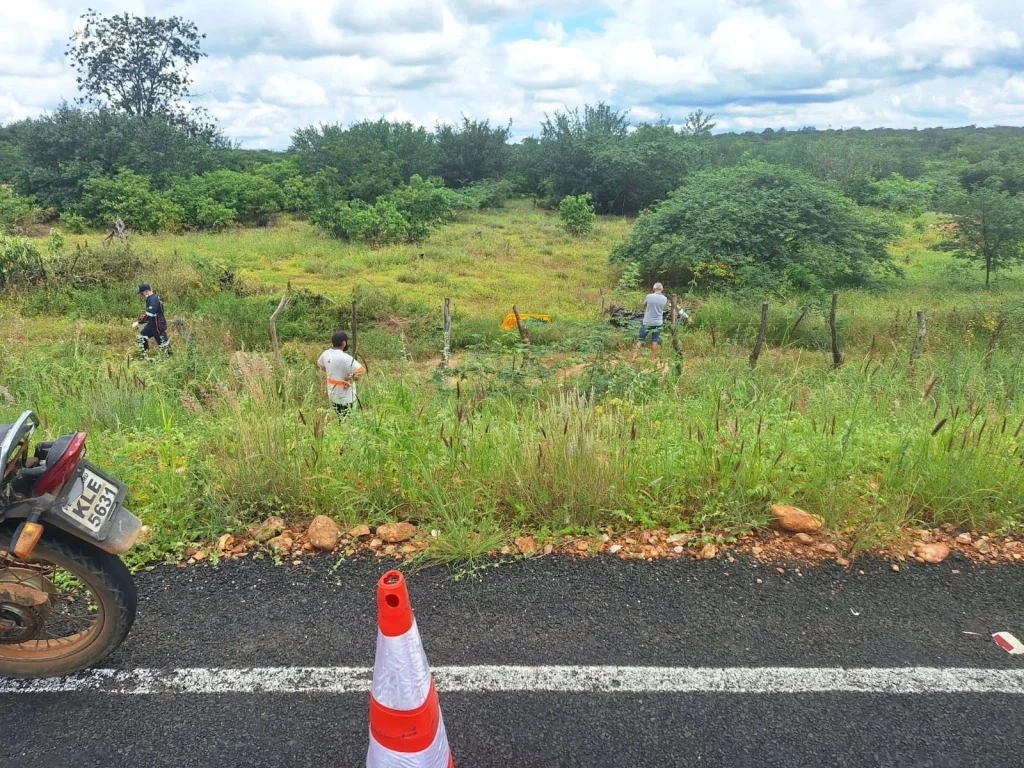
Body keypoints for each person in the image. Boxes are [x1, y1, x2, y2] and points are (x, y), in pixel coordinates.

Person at [317, 330, 365, 420]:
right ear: (343, 343)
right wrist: (350, 379)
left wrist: (331, 371)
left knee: (338, 418)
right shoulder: (345, 358)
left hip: (332, 395)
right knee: (349, 420)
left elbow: (320, 365)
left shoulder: (325, 354)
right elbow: (361, 370)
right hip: (347, 397)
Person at [633, 282, 669, 361]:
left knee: (640, 340)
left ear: (654, 288)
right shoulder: (664, 298)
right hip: (658, 323)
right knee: (655, 341)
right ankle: (653, 359)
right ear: (662, 289)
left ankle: (634, 357)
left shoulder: (649, 296)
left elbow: (644, 305)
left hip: (647, 322)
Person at [132, 283, 170, 356]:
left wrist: (138, 322)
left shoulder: (153, 299)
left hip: (158, 324)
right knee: (142, 337)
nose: (142, 295)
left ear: (146, 291)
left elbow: (150, 314)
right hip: (152, 323)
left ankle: (169, 357)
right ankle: (145, 355)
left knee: (163, 344)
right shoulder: (152, 298)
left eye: (142, 293)